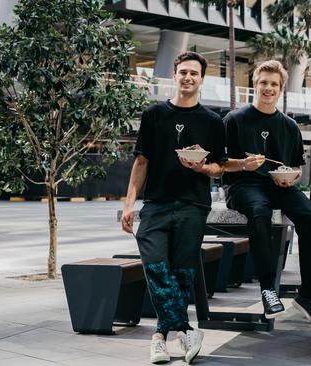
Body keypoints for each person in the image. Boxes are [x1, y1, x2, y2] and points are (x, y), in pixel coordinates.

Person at [121, 51, 226, 365]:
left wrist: (204, 169)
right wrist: (129, 205)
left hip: (194, 204)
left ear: (201, 79)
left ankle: (159, 339)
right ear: (175, 75)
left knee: (181, 276)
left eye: (194, 73)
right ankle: (185, 329)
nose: (188, 78)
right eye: (183, 72)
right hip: (156, 204)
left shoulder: (212, 121)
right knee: (154, 264)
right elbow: (141, 162)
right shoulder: (154, 115)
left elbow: (219, 166)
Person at [223, 60, 311, 324]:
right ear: (255, 85)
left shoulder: (289, 125)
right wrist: (243, 164)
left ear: (281, 90)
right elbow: (220, 164)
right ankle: (268, 288)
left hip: (279, 187)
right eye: (263, 83)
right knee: (259, 212)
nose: (268, 88)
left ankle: (309, 292)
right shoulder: (234, 120)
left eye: (274, 84)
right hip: (242, 185)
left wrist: (290, 177)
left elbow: (297, 168)